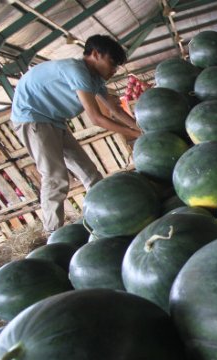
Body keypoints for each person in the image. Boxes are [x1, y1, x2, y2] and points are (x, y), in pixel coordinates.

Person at [11, 34, 141, 233]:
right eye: (112, 63)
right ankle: (52, 233)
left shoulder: (95, 80)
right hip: (33, 118)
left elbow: (115, 111)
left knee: (90, 173)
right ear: (96, 54)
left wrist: (140, 129)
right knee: (55, 177)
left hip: (55, 121)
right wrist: (135, 134)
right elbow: (97, 118)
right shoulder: (76, 70)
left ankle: (105, 215)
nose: (114, 71)